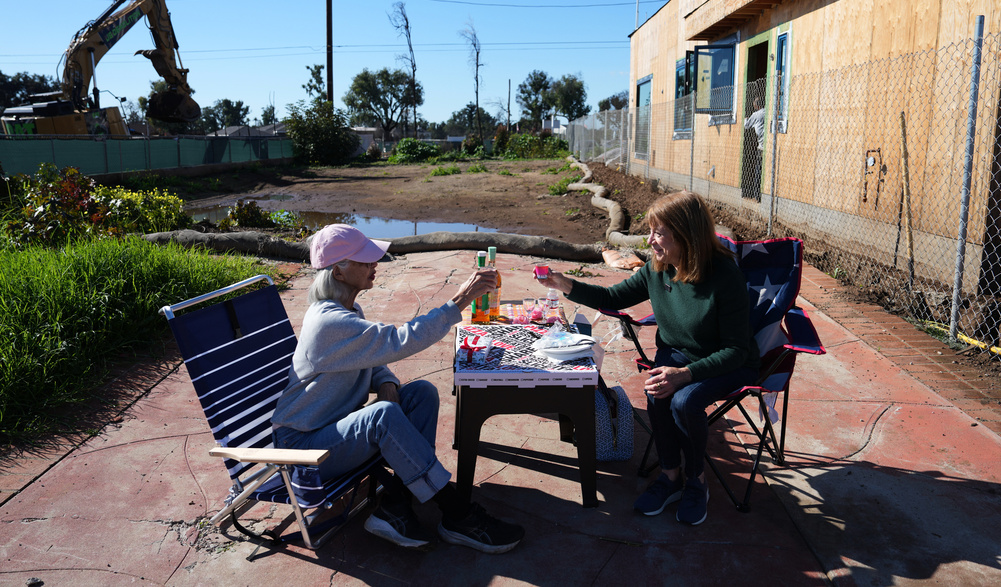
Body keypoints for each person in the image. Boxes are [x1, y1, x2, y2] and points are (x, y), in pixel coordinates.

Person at [271, 223, 524, 553]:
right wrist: (462, 299)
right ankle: (455, 511)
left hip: (330, 433)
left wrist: (387, 382)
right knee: (382, 417)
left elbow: (371, 357)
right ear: (339, 271)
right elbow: (398, 340)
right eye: (365, 261)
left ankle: (395, 505)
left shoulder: (347, 310)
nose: (374, 264)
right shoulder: (328, 322)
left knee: (421, 394)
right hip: (302, 449)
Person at [535, 191, 759, 526]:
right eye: (650, 231)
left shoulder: (724, 277)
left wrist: (685, 373)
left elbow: (737, 350)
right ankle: (670, 477)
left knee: (685, 401)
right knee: (658, 393)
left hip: (725, 361)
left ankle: (697, 481)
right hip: (678, 353)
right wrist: (565, 283)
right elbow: (613, 296)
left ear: (685, 235)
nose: (650, 240)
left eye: (658, 232)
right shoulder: (658, 268)